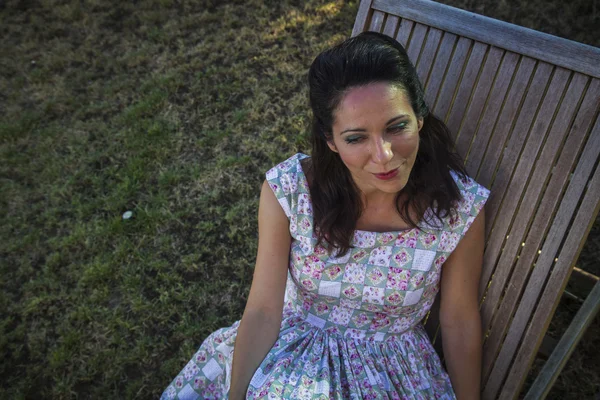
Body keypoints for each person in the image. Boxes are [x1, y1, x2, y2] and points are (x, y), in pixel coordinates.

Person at [161, 31, 489, 400]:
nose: (382, 156)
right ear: (331, 140)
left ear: (420, 118)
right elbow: (264, 311)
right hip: (292, 352)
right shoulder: (290, 192)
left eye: (397, 127)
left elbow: (459, 320)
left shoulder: (456, 210)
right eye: (355, 138)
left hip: (393, 374)